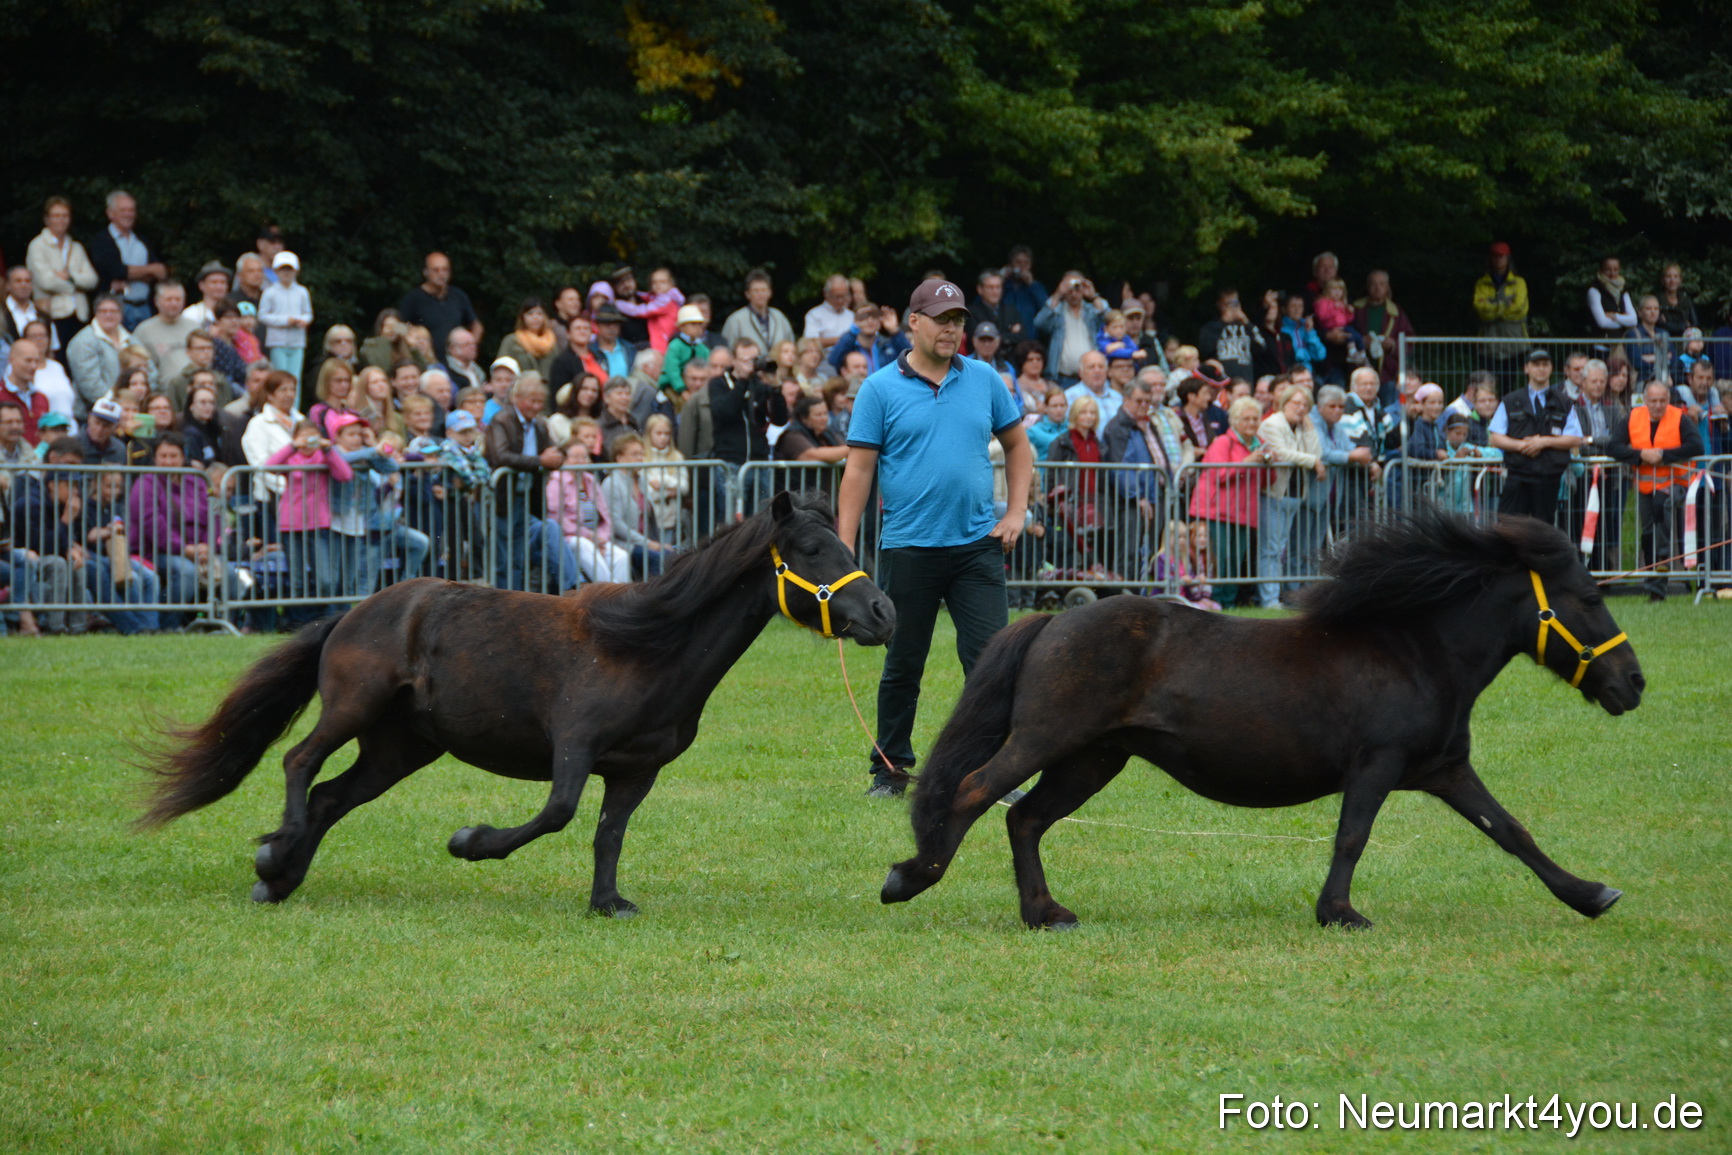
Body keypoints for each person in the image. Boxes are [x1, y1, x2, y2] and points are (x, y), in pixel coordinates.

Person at [837, 278, 1031, 797]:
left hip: (977, 547)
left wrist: (1015, 512)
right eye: (941, 318)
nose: (952, 329)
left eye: (958, 320)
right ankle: (890, 769)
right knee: (903, 664)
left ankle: (993, 770)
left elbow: (1018, 446)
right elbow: (857, 471)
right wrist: (843, 548)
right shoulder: (879, 388)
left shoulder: (985, 379)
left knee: (991, 664)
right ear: (914, 322)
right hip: (909, 546)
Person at [1610, 381, 1703, 600]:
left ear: (1668, 400)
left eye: (1662, 401)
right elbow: (1614, 447)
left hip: (1675, 483)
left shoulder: (1680, 417)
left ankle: (1660, 576)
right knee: (1647, 532)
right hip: (1644, 486)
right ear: (1645, 399)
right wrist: (1642, 455)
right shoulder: (1632, 417)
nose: (1658, 405)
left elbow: (1696, 446)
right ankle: (1654, 575)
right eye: (1653, 401)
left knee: (1662, 509)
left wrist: (1663, 456)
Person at [485, 375, 578, 593]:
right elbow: (500, 456)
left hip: (527, 497)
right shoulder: (502, 420)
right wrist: (539, 461)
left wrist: (555, 458)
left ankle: (515, 600)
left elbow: (555, 453)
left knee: (518, 554)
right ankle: (503, 603)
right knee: (505, 555)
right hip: (503, 497)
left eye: (540, 402)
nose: (536, 407)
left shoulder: (540, 424)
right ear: (517, 398)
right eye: (532, 401)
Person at [1186, 396, 1267, 609]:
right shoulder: (1223, 441)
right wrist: (1246, 462)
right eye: (1245, 419)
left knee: (1234, 563)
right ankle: (1214, 603)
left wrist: (1271, 463)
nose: (1251, 423)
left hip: (1242, 513)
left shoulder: (1259, 445)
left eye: (1255, 418)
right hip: (1216, 512)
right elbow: (1218, 475)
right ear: (1235, 420)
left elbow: (1267, 482)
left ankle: (1228, 605)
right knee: (1217, 562)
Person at [1488, 349, 1583, 522]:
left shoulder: (1564, 402)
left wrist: (1544, 442)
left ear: (1551, 368)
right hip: (1518, 476)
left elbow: (1575, 438)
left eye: (1545, 365)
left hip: (1548, 478)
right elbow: (1495, 436)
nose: (1541, 369)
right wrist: (1521, 446)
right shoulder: (1510, 401)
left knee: (1542, 534)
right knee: (1509, 530)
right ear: (1526, 368)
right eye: (1536, 365)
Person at [1256, 384, 1328, 608]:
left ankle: (1277, 596)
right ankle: (1269, 599)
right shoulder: (1272, 424)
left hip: (1295, 495)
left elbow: (1317, 453)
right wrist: (1312, 461)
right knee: (1271, 548)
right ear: (1284, 403)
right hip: (1275, 494)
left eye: (1305, 404)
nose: (1301, 408)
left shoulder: (1300, 426)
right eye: (1296, 403)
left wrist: (1309, 429)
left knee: (1281, 547)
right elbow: (1281, 453)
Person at [547, 435, 631, 582]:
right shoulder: (557, 480)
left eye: (584, 457)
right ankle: (611, 591)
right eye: (576, 457)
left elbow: (605, 515)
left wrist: (602, 538)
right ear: (565, 459)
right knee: (584, 546)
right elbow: (557, 517)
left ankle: (618, 595)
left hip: (596, 538)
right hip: (571, 538)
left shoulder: (590, 480)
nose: (581, 461)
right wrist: (589, 536)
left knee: (621, 556)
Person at [25, 197, 98, 353]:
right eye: (56, 215)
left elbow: (92, 280)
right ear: (47, 219)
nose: (61, 220)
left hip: (80, 315)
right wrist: (77, 286)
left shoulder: (77, 247)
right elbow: (46, 282)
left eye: (65, 215)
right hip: (54, 315)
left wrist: (70, 276)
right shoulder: (37, 246)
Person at [85, 190, 166, 330]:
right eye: (123, 210)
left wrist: (132, 273)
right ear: (110, 213)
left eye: (131, 210)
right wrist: (147, 271)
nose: (128, 214)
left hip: (144, 308)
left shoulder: (142, 241)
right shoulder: (102, 241)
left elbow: (160, 272)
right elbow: (117, 271)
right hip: (117, 311)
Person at [398, 252, 480, 363]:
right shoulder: (413, 299)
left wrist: (469, 346)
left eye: (445, 270)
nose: (441, 274)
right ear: (425, 272)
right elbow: (400, 328)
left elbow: (476, 325)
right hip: (428, 364)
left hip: (456, 364)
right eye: (435, 270)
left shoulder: (458, 295)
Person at [1032, 271, 1107, 386]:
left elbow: (1110, 320)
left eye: (1077, 288)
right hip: (1063, 378)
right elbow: (1039, 323)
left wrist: (1094, 296)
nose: (1073, 293)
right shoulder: (1058, 311)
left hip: (1091, 376)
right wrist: (1057, 294)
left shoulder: (1091, 310)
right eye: (1069, 288)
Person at [1197, 289, 1269, 387]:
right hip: (1222, 381)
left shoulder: (1247, 326)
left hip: (1246, 380)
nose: (1233, 308)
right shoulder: (1211, 328)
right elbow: (1206, 351)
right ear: (1220, 305)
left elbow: (1262, 346)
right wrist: (1224, 322)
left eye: (1235, 303)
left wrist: (1246, 322)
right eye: (1228, 304)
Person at [259, 253, 313, 383]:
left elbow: (308, 313)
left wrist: (303, 320)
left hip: (297, 341)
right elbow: (262, 315)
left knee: (296, 378)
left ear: (296, 271)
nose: (286, 273)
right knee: (280, 376)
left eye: (289, 269)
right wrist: (285, 321)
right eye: (282, 269)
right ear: (276, 271)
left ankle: (295, 404)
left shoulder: (302, 292)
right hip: (277, 341)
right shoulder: (269, 292)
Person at [132, 282, 201, 383]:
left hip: (194, 387)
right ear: (156, 301)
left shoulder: (194, 327)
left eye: (177, 299)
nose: (174, 303)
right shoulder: (143, 331)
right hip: (162, 392)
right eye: (169, 299)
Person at [721, 268, 796, 354]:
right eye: (756, 291)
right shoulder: (736, 320)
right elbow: (727, 352)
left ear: (770, 293)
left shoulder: (779, 317)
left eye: (763, 290)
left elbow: (791, 345)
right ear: (748, 294)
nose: (760, 294)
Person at [0, 337, 51, 445]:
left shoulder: (41, 399)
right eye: (28, 360)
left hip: (35, 460)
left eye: (36, 361)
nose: (33, 366)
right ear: (11, 360)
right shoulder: (1, 394)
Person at [497, 298, 559, 381]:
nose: (535, 318)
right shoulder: (511, 341)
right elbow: (501, 369)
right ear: (523, 317)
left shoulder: (551, 341)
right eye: (530, 314)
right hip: (520, 390)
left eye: (539, 314)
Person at [659, 304, 710, 399]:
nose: (698, 328)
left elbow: (708, 365)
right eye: (693, 324)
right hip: (673, 385)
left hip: (697, 385)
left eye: (700, 324)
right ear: (682, 327)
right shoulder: (675, 346)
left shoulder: (701, 347)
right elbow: (672, 370)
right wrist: (681, 389)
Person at [1586, 255, 1638, 344]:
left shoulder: (1623, 290)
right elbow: (1602, 322)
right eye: (1608, 269)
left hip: (1621, 345)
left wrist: (1614, 316)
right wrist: (1625, 321)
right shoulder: (1594, 290)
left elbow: (1634, 320)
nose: (1612, 273)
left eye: (1615, 269)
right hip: (1602, 344)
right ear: (1601, 270)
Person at [968, 268, 1025, 348]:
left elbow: (1022, 337)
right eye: (990, 287)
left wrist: (993, 336)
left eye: (998, 287)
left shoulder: (1011, 310)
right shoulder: (972, 312)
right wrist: (1008, 334)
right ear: (980, 289)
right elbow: (976, 339)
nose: (995, 291)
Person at [998, 245, 1048, 334]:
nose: (1022, 267)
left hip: (1028, 339)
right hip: (1004, 338)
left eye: (1026, 263)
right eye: (1018, 262)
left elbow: (1047, 309)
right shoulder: (1001, 286)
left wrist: (1032, 284)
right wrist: (999, 278)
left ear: (1030, 266)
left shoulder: (1036, 287)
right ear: (1010, 265)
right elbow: (983, 304)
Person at [1624, 296, 1672, 386]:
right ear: (1640, 313)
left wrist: (1650, 358)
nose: (1653, 312)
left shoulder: (1664, 333)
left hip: (1666, 380)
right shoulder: (1633, 334)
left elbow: (1673, 358)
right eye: (1648, 309)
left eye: (1656, 309)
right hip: (1642, 382)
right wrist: (1663, 358)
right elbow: (1637, 362)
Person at [803, 274, 855, 348]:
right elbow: (810, 341)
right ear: (826, 294)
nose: (840, 301)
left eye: (843, 296)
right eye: (836, 297)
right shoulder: (814, 315)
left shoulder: (851, 316)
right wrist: (840, 340)